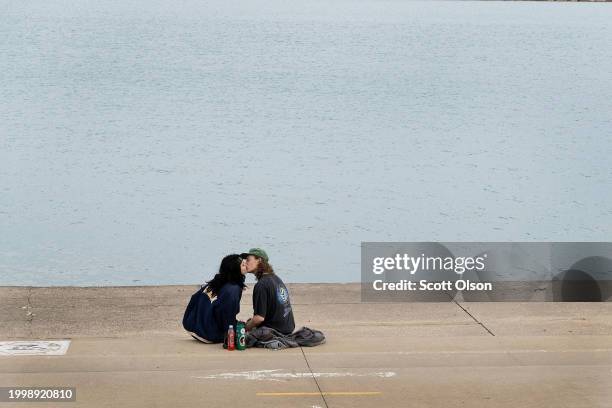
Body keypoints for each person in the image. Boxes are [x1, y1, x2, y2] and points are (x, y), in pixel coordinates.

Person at [182, 254, 247, 343]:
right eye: (243, 265)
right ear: (234, 269)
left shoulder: (217, 281)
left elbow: (194, 298)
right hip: (208, 334)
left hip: (191, 326)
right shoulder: (233, 289)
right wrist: (234, 332)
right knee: (244, 330)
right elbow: (225, 314)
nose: (246, 266)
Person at [241, 248, 295, 334]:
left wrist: (245, 328)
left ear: (259, 260)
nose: (245, 262)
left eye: (248, 260)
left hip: (275, 331)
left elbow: (259, 318)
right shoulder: (276, 278)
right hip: (288, 328)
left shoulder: (261, 285)